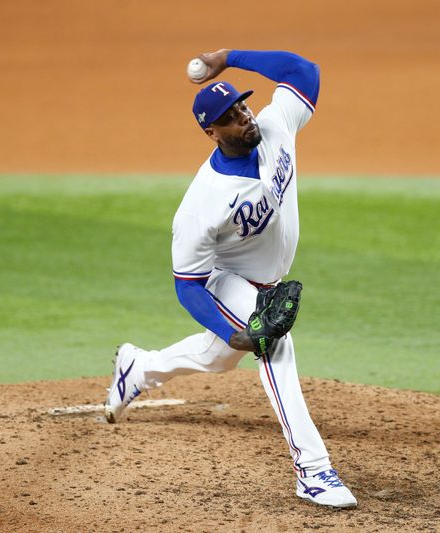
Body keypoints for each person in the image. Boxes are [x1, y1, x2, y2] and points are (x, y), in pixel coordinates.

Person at [104, 49, 357, 509]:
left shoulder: (276, 125)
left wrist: (231, 56)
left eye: (241, 106)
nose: (243, 117)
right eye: (230, 117)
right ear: (211, 132)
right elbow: (187, 285)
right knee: (273, 344)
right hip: (225, 280)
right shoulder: (202, 205)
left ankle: (137, 368)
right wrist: (234, 331)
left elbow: (305, 71)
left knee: (217, 359)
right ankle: (313, 470)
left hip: (265, 280)